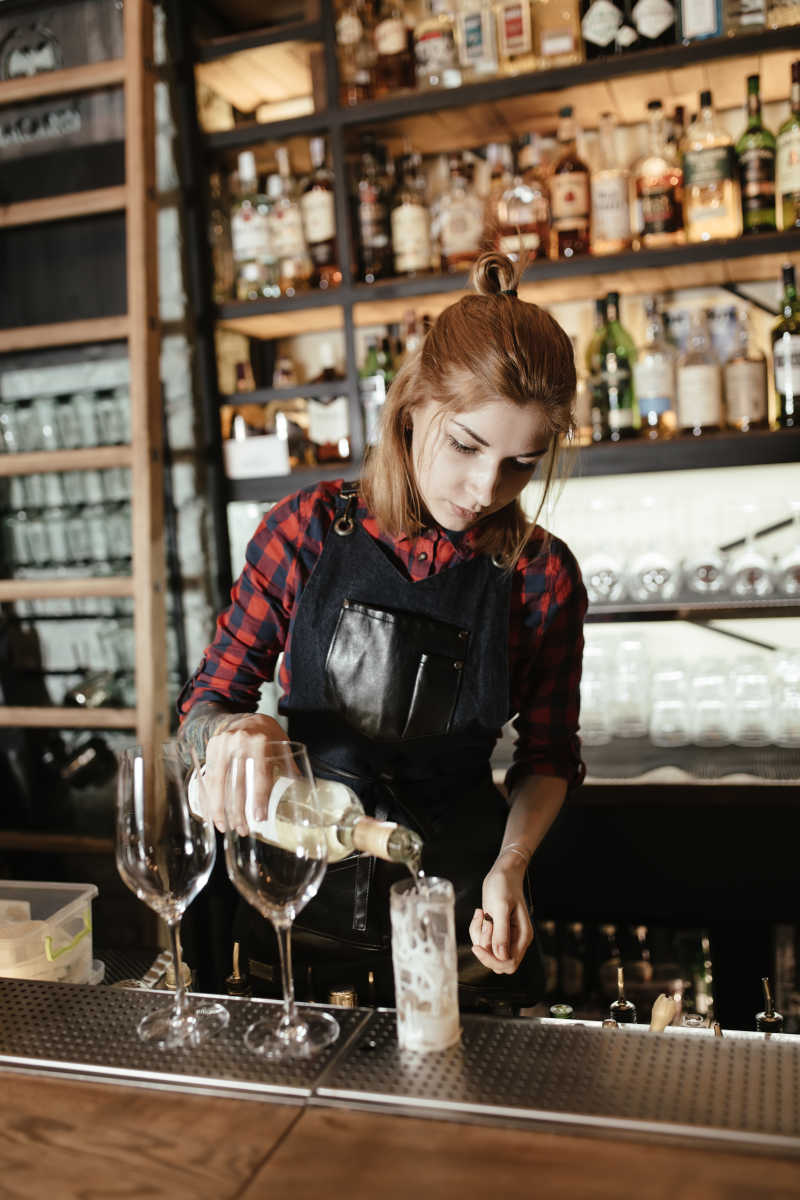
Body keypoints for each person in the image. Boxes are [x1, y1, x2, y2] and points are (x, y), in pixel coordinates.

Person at [177, 249, 586, 1012]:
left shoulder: (540, 574)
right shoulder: (303, 530)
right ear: (413, 406)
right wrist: (231, 734)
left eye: (521, 464)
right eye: (466, 445)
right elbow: (204, 705)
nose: (483, 489)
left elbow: (549, 757)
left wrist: (514, 862)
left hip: (459, 921)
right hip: (292, 910)